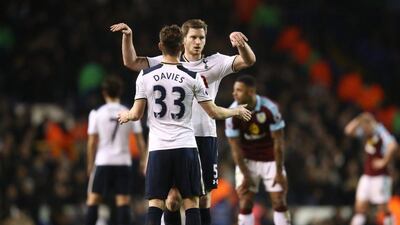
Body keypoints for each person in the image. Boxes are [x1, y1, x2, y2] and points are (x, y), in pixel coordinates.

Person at [110, 18, 256, 225]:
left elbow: (248, 61)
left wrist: (241, 45)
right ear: (183, 40)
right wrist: (127, 38)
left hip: (204, 135)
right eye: (193, 37)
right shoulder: (163, 62)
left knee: (203, 198)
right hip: (178, 139)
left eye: (202, 38)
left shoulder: (215, 62)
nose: (198, 42)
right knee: (173, 200)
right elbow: (132, 62)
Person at [225, 75, 291, 225]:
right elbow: (235, 148)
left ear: (251, 92)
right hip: (247, 160)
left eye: (239, 90)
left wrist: (279, 171)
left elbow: (279, 142)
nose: (234, 94)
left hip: (271, 160)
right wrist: (245, 173)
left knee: (279, 200)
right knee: (245, 201)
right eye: (234, 90)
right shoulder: (233, 112)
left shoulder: (270, 109)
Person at [86, 75, 147, 225]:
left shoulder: (96, 113)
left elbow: (92, 142)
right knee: (123, 200)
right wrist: (143, 160)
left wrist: (90, 163)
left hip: (103, 161)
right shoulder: (129, 112)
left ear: (104, 92)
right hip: (123, 162)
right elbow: (140, 140)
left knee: (93, 199)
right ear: (120, 92)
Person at [345, 112, 398, 225]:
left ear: (370, 124)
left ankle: (391, 222)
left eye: (364, 127)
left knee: (383, 208)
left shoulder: (380, 131)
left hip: (381, 176)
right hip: (367, 175)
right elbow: (348, 130)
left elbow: (393, 145)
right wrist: (358, 119)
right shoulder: (366, 133)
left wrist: (384, 162)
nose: (363, 130)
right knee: (359, 207)